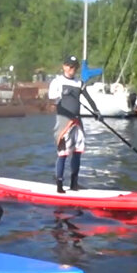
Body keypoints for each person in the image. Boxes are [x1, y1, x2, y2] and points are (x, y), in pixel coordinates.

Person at [47, 55, 100, 192]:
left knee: (77, 153)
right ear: (64, 66)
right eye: (70, 67)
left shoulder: (79, 83)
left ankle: (74, 184)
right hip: (64, 122)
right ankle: (59, 185)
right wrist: (60, 98)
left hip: (77, 122)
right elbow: (52, 100)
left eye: (75, 67)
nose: (72, 69)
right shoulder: (57, 82)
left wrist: (96, 111)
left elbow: (88, 99)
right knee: (63, 154)